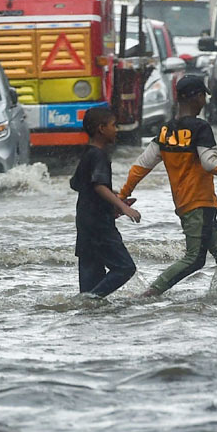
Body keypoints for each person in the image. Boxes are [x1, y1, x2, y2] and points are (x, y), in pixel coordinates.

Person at [118, 75, 217, 296]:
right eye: (203, 95)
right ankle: (151, 293)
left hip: (185, 205)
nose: (205, 100)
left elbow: (140, 166)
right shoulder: (201, 128)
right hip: (200, 203)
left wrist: (122, 196)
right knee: (194, 259)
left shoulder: (165, 131)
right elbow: (210, 164)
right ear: (196, 97)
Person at [70, 106, 141, 299]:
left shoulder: (87, 154)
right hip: (100, 225)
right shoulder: (100, 155)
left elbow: (78, 184)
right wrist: (123, 207)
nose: (116, 129)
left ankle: (86, 306)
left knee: (90, 276)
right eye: (113, 125)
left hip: (85, 222)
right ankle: (89, 301)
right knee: (125, 268)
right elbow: (98, 186)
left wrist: (113, 199)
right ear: (101, 128)